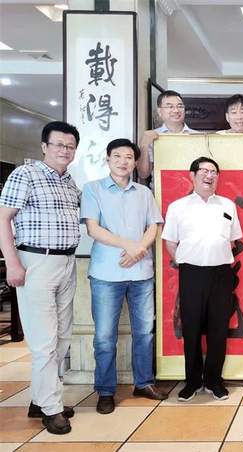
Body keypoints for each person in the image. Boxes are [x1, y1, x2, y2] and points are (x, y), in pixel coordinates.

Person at [0, 121, 81, 435]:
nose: (64, 150)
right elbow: (3, 219)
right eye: (59, 144)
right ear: (45, 146)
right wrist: (12, 263)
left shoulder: (69, 182)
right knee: (44, 340)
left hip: (67, 261)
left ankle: (41, 398)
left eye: (70, 146)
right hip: (35, 261)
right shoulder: (26, 174)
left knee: (62, 336)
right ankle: (51, 408)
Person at [80, 138, 167, 415]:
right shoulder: (92, 189)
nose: (123, 161)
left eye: (129, 157)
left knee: (145, 333)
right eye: (117, 156)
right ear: (107, 159)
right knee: (105, 336)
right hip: (106, 274)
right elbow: (93, 229)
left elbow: (153, 226)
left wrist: (139, 249)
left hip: (141, 274)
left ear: (135, 162)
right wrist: (129, 245)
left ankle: (144, 383)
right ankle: (105, 390)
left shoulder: (144, 192)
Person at [162, 157, 242, 402]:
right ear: (192, 175)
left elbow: (233, 240)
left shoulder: (227, 205)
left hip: (221, 274)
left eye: (214, 171)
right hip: (191, 274)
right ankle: (193, 382)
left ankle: (214, 381)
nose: (210, 175)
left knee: (218, 328)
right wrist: (188, 260)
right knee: (192, 328)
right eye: (205, 171)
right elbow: (170, 242)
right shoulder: (178, 207)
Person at [137, 90, 196, 181]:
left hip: (191, 188)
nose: (176, 110)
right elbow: (143, 174)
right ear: (160, 111)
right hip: (160, 189)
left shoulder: (197, 136)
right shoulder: (151, 137)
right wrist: (144, 145)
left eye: (180, 106)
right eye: (170, 106)